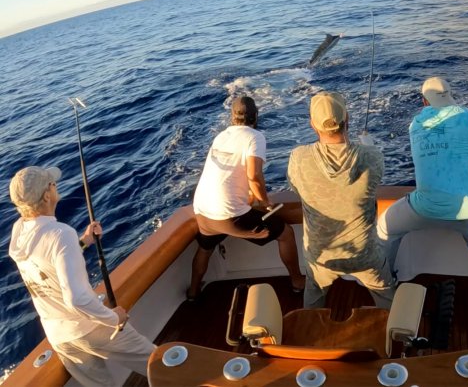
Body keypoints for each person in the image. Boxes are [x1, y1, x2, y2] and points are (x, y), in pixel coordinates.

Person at [377, 77, 468, 321]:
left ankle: (389, 286)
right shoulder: (467, 117)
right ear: (451, 95)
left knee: (385, 229)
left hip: (423, 208)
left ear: (424, 101)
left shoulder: (415, 124)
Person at [8, 166, 155, 386]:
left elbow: (46, 266)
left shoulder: (19, 232)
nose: (55, 185)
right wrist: (114, 318)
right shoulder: (60, 233)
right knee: (159, 363)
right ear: (47, 195)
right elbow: (76, 298)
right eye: (52, 183)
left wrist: (82, 243)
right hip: (89, 327)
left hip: (60, 337)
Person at [287, 92, 396, 309]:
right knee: (387, 298)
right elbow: (373, 175)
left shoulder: (298, 157)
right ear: (347, 118)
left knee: (314, 296)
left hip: (320, 256)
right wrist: (368, 144)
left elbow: (297, 188)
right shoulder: (372, 156)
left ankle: (310, 335)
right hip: (365, 254)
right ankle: (396, 336)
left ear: (313, 124)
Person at [190, 96, 304, 299]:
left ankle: (193, 291)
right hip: (229, 216)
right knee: (285, 234)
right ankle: (297, 280)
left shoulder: (221, 136)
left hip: (202, 212)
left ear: (232, 117)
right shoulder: (254, 137)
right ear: (256, 116)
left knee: (205, 248)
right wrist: (265, 201)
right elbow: (254, 175)